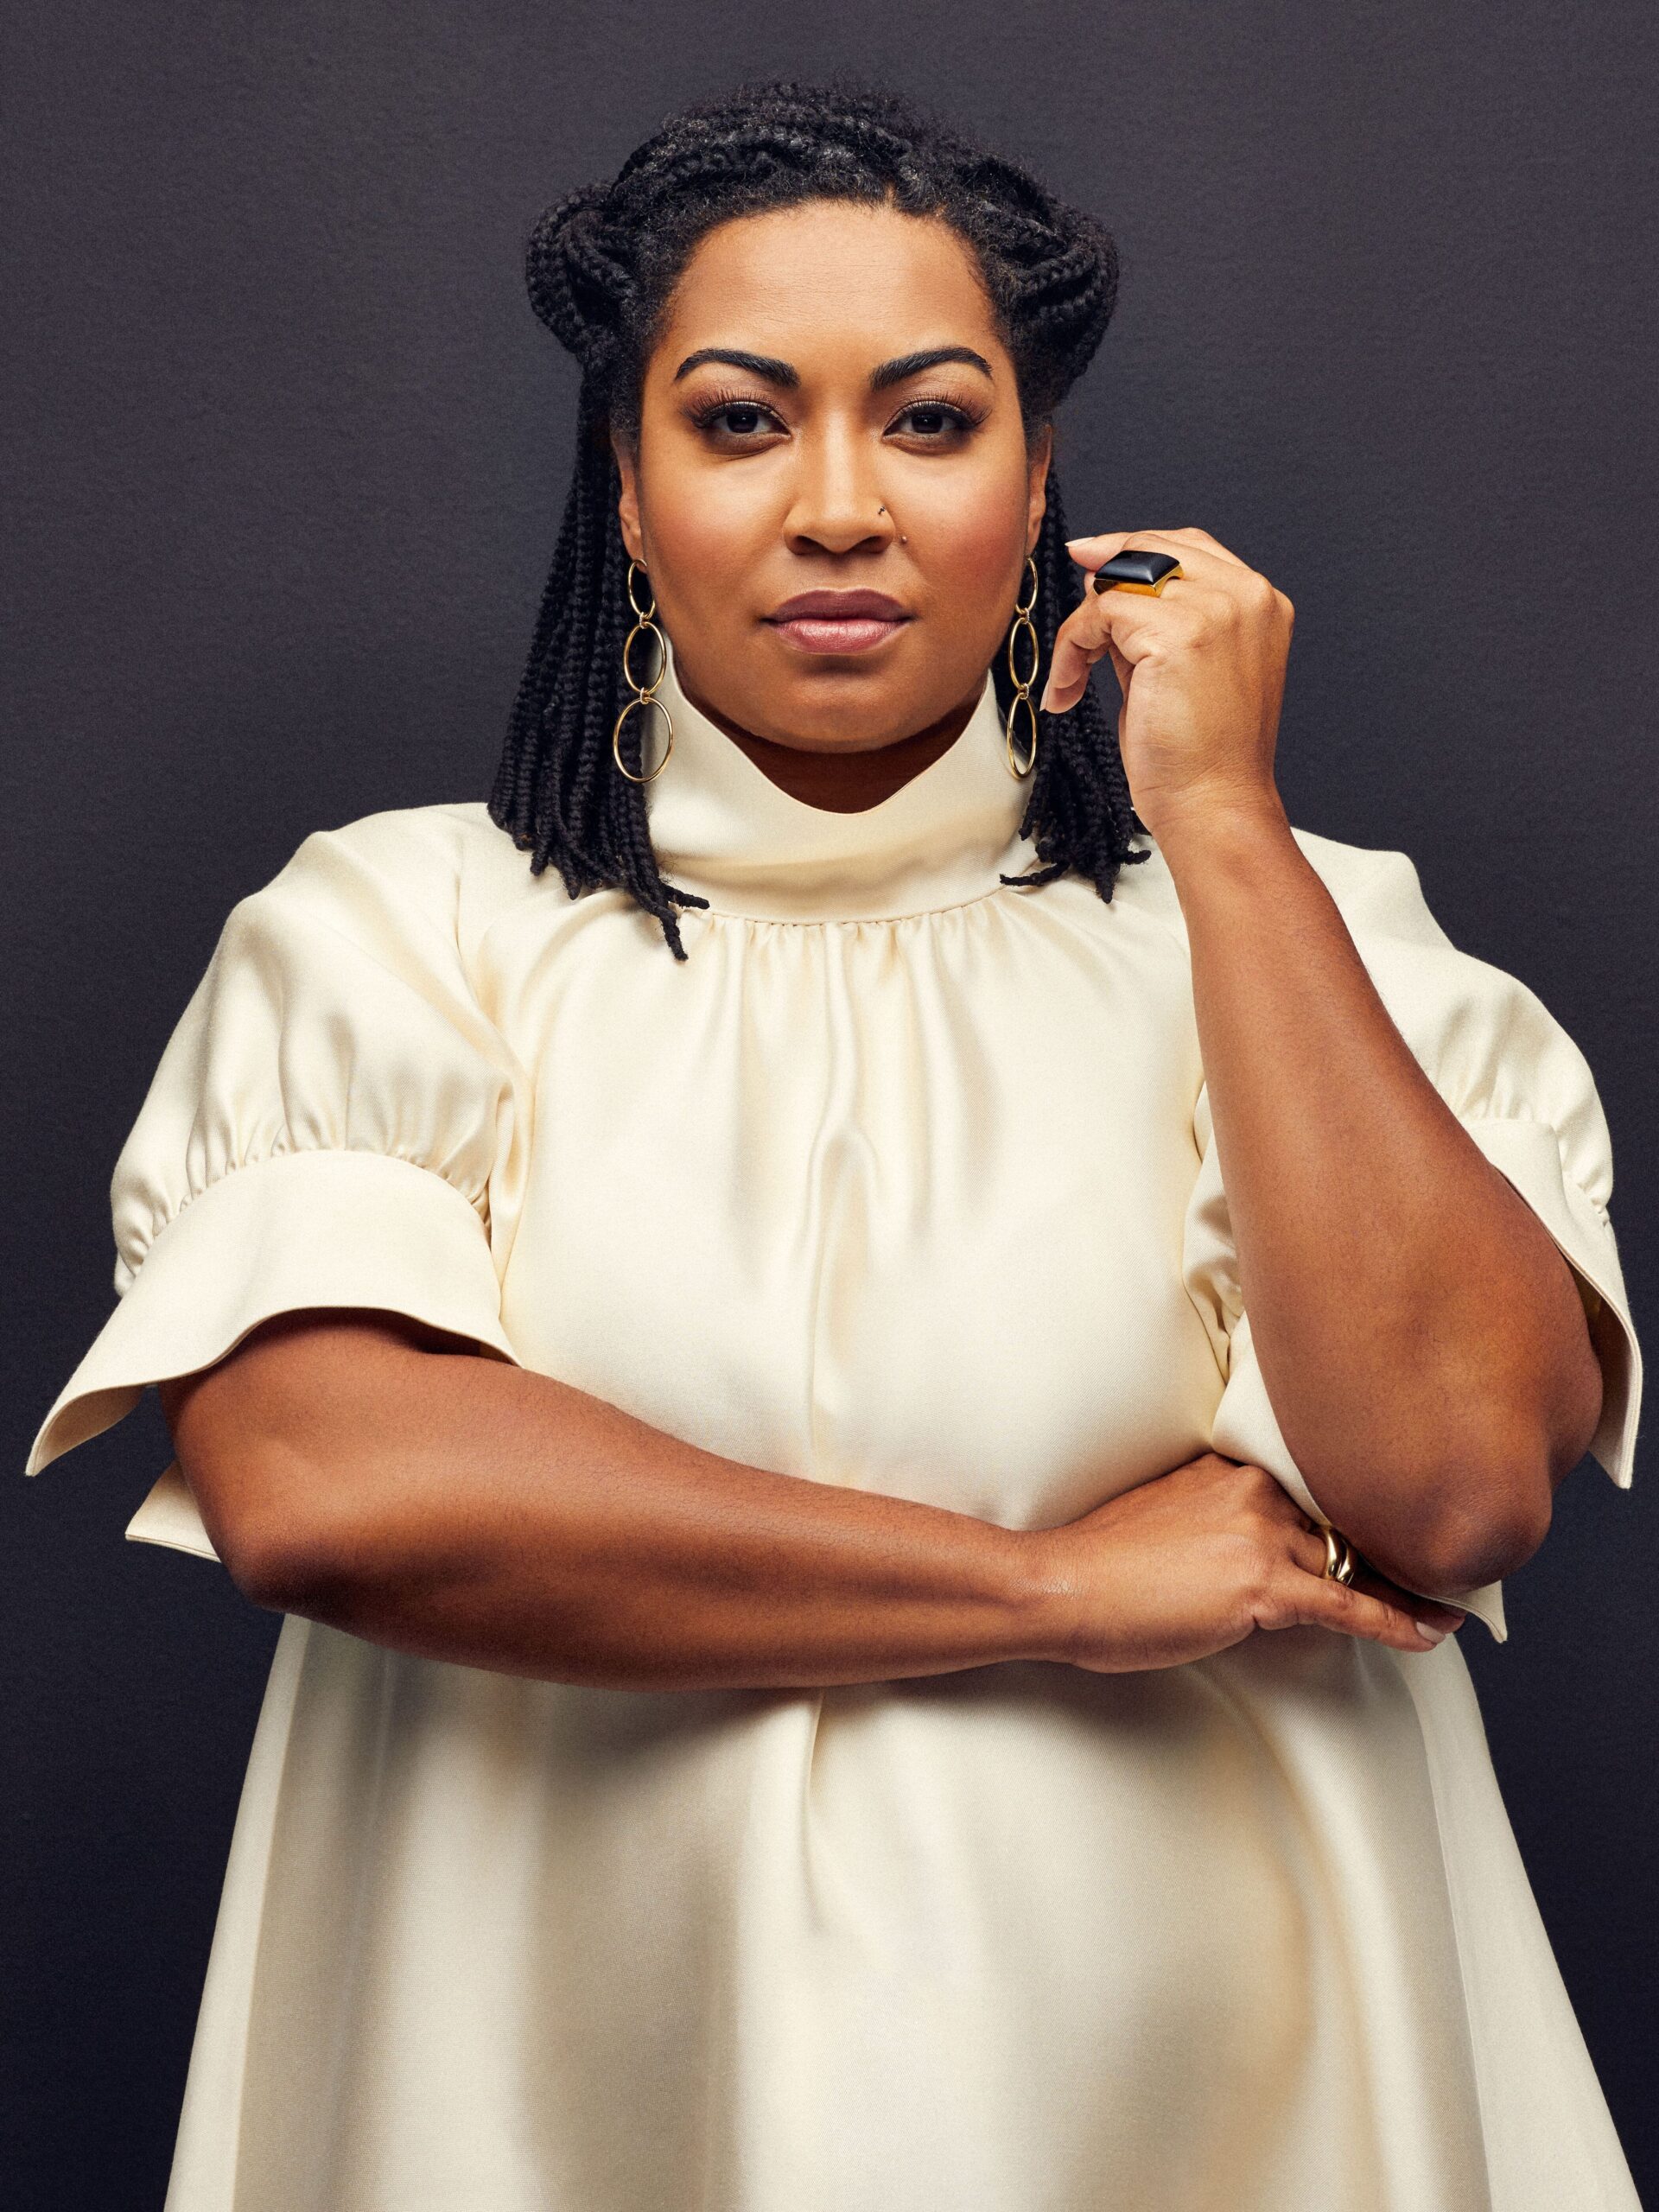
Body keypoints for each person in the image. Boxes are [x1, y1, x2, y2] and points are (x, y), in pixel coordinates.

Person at [27, 73, 1643, 2212]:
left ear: (1043, 476)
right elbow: (326, 1481)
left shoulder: (1306, 940)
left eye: (933, 418)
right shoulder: (403, 932)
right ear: (624, 486)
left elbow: (1451, 1476)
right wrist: (1052, 1585)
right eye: (737, 418)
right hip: (560, 2093)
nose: (839, 504)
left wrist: (1231, 832)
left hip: (1227, 2100)